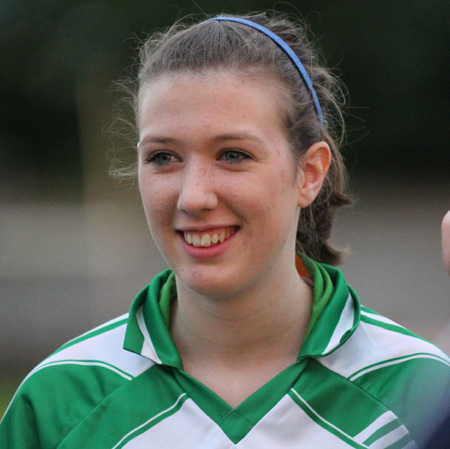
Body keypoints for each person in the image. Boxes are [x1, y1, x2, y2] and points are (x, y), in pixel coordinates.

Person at [1, 12, 449, 449]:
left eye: (233, 155)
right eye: (163, 157)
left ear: (309, 173)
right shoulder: (57, 401)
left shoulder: (424, 393)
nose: (193, 197)